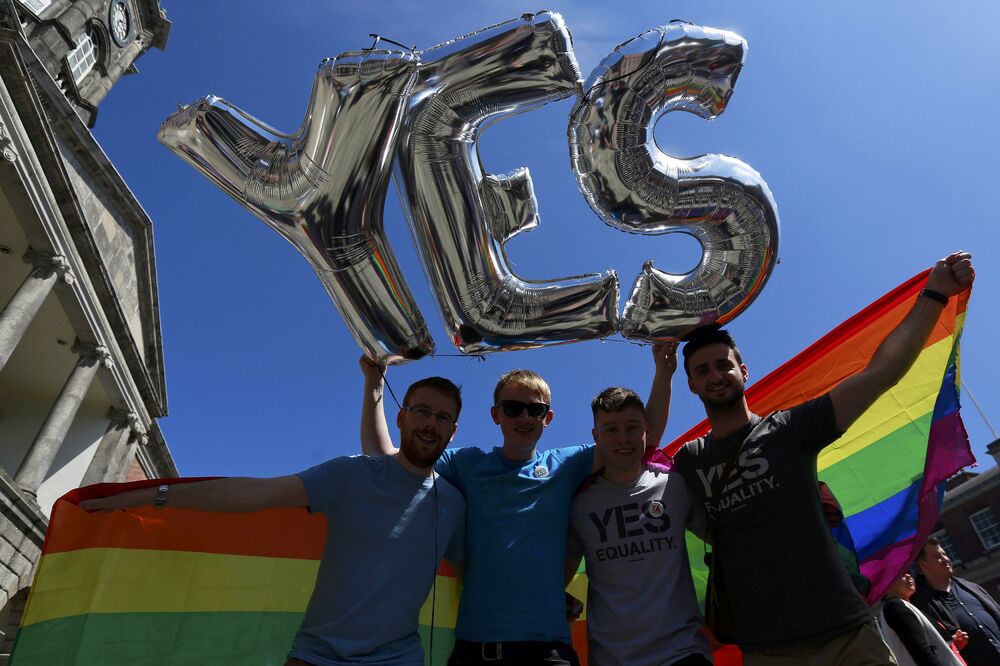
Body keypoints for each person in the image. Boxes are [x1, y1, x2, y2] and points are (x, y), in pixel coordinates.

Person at [647, 252, 975, 665]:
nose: (715, 375)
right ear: (692, 384)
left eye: (723, 365)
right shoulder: (690, 461)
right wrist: (662, 373)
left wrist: (934, 294)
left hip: (846, 632)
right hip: (767, 647)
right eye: (702, 371)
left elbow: (881, 373)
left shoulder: (791, 429)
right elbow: (641, 453)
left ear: (743, 371)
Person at [82, 375, 466, 666]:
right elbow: (256, 494)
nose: (431, 424)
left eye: (442, 417)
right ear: (402, 416)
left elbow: (482, 573)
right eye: (422, 411)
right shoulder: (350, 475)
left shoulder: (453, 503)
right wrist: (153, 496)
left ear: (453, 431)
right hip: (317, 657)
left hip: (398, 660)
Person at [360, 360, 598, 665]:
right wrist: (374, 384)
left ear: (547, 418)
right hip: (477, 649)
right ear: (495, 414)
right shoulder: (468, 465)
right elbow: (384, 460)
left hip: (548, 649)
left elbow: (634, 443)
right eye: (512, 408)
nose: (524, 416)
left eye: (535, 410)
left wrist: (663, 368)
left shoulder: (566, 463)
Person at [565, 380, 712, 666]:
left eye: (632, 427)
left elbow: (726, 538)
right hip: (612, 659)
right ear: (596, 435)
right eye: (611, 429)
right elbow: (561, 575)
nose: (624, 438)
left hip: (683, 653)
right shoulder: (579, 503)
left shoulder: (675, 484)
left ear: (646, 428)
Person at [912, 538, 1000, 666]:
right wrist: (951, 643)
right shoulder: (922, 605)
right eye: (938, 557)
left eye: (944, 554)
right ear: (923, 564)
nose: (946, 559)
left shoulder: (971, 587)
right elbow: (931, 647)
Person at [879, 571, 965, 666]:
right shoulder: (895, 606)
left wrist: (950, 642)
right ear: (887, 582)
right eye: (901, 574)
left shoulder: (902, 606)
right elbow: (920, 650)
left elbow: (928, 644)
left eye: (907, 572)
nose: (908, 576)